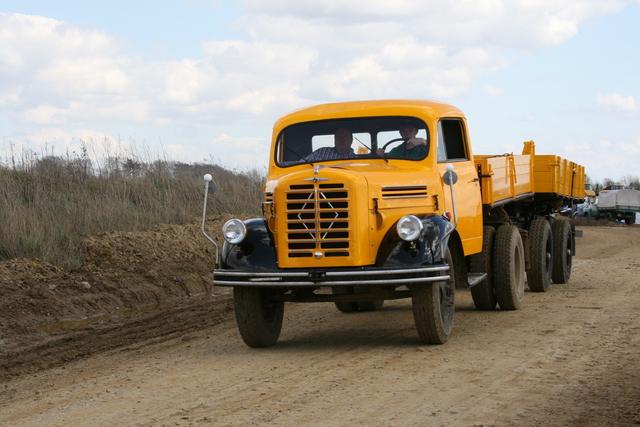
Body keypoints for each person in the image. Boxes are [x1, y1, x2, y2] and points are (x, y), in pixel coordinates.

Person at [285, 127, 356, 165]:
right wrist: (277, 165)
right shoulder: (322, 152)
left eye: (345, 137)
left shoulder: (358, 161)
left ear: (351, 140)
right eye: (338, 137)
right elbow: (301, 163)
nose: (342, 140)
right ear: (334, 140)